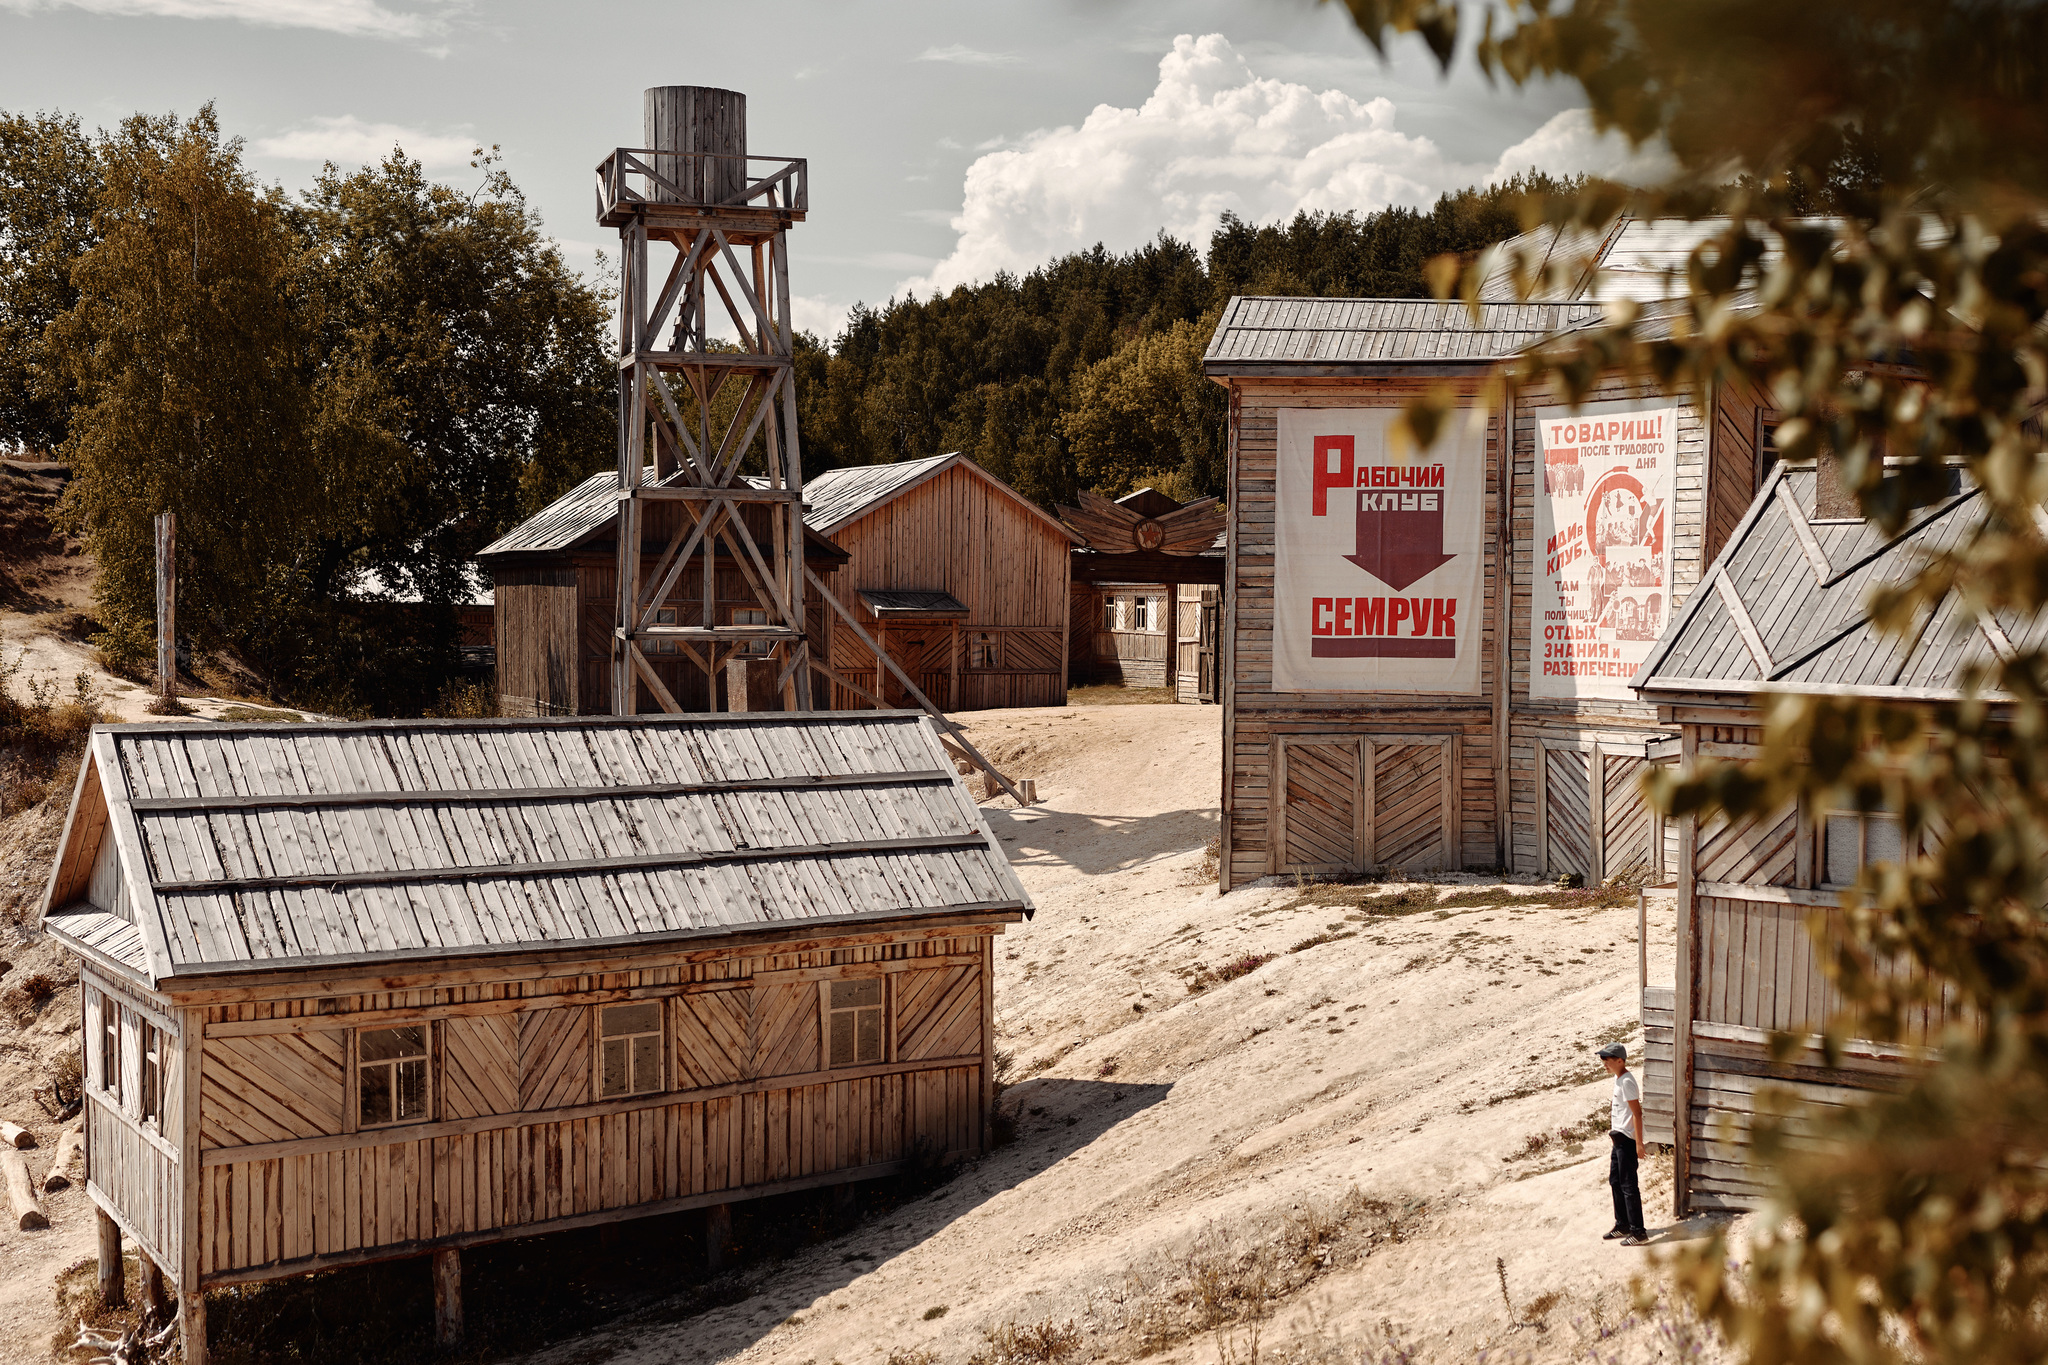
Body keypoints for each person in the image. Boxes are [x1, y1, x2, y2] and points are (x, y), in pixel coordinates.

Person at [1598, 1041, 1650, 1245]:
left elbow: (1637, 1113)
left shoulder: (1627, 1081)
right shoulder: (1619, 1080)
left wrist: (1639, 1143)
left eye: (1607, 1060)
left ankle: (1638, 1231)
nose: (1604, 1064)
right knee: (1615, 1181)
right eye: (1603, 1060)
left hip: (1627, 1140)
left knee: (1629, 1186)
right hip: (1617, 1138)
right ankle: (1623, 1225)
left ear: (1620, 1060)